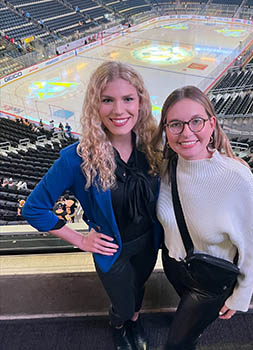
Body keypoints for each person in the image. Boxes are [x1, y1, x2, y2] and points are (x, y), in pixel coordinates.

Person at [22, 61, 162, 350]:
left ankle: (134, 320)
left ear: (140, 102)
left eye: (127, 99)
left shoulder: (151, 146)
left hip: (149, 243)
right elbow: (33, 208)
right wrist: (80, 239)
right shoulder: (77, 158)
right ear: (94, 106)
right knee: (122, 304)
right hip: (113, 251)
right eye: (107, 100)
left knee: (138, 291)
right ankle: (119, 323)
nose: (119, 110)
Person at [151, 86, 253, 350]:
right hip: (174, 266)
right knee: (189, 328)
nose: (186, 132)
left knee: (176, 344)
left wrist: (241, 295)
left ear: (212, 123)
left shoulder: (237, 177)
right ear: (166, 130)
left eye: (196, 122)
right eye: (175, 124)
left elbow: (252, 244)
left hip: (210, 281)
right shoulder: (166, 168)